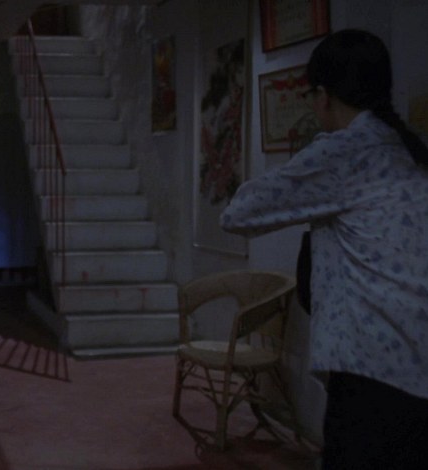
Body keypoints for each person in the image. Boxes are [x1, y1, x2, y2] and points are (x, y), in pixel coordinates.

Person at [220, 29, 428, 469]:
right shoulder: (406, 150)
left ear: (324, 95)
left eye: (310, 95)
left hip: (375, 370)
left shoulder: (343, 151)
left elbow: (238, 213)